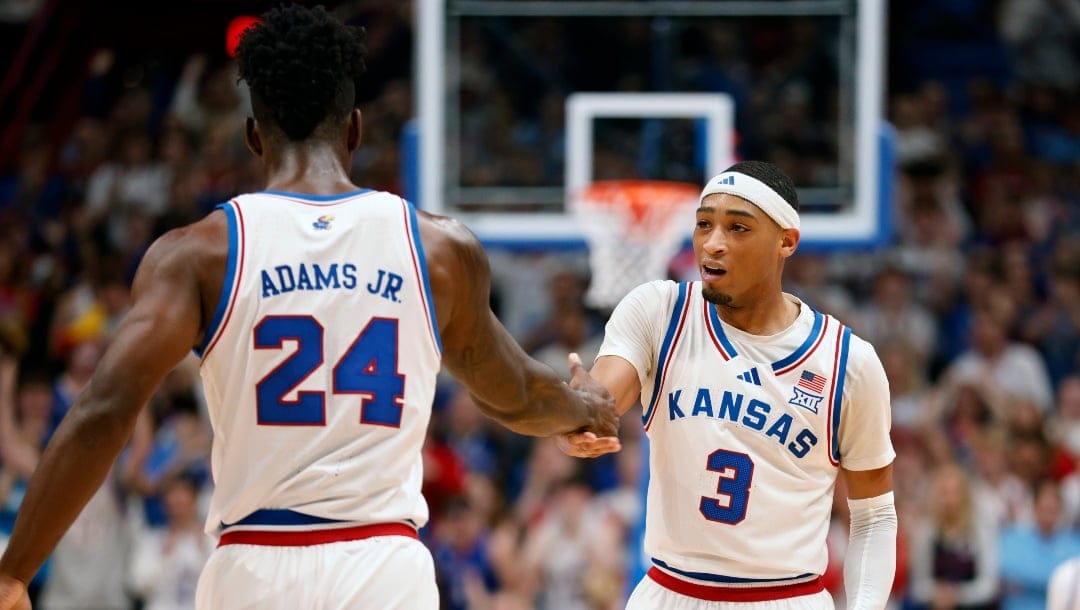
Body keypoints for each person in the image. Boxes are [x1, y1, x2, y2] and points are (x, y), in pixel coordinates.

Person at [0, 5, 617, 610]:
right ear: (354, 129)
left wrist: (14, 572)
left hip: (255, 566)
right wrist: (582, 410)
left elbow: (104, 412)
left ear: (252, 137)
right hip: (384, 569)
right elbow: (513, 393)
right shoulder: (438, 249)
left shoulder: (197, 255)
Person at [562, 161, 897, 609]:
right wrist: (577, 414)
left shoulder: (848, 363)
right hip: (668, 592)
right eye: (704, 225)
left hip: (785, 597)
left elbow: (874, 517)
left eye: (738, 228)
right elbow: (602, 400)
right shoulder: (659, 312)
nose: (713, 244)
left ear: (786, 241)